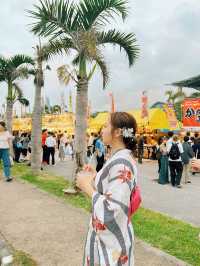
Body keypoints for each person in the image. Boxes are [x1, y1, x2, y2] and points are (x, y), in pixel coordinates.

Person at [76, 112, 138, 266]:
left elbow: (114, 208)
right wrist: (96, 176)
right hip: (108, 237)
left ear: (117, 132)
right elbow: (112, 188)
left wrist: (86, 186)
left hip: (111, 242)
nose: (101, 130)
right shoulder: (119, 158)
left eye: (105, 126)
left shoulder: (121, 162)